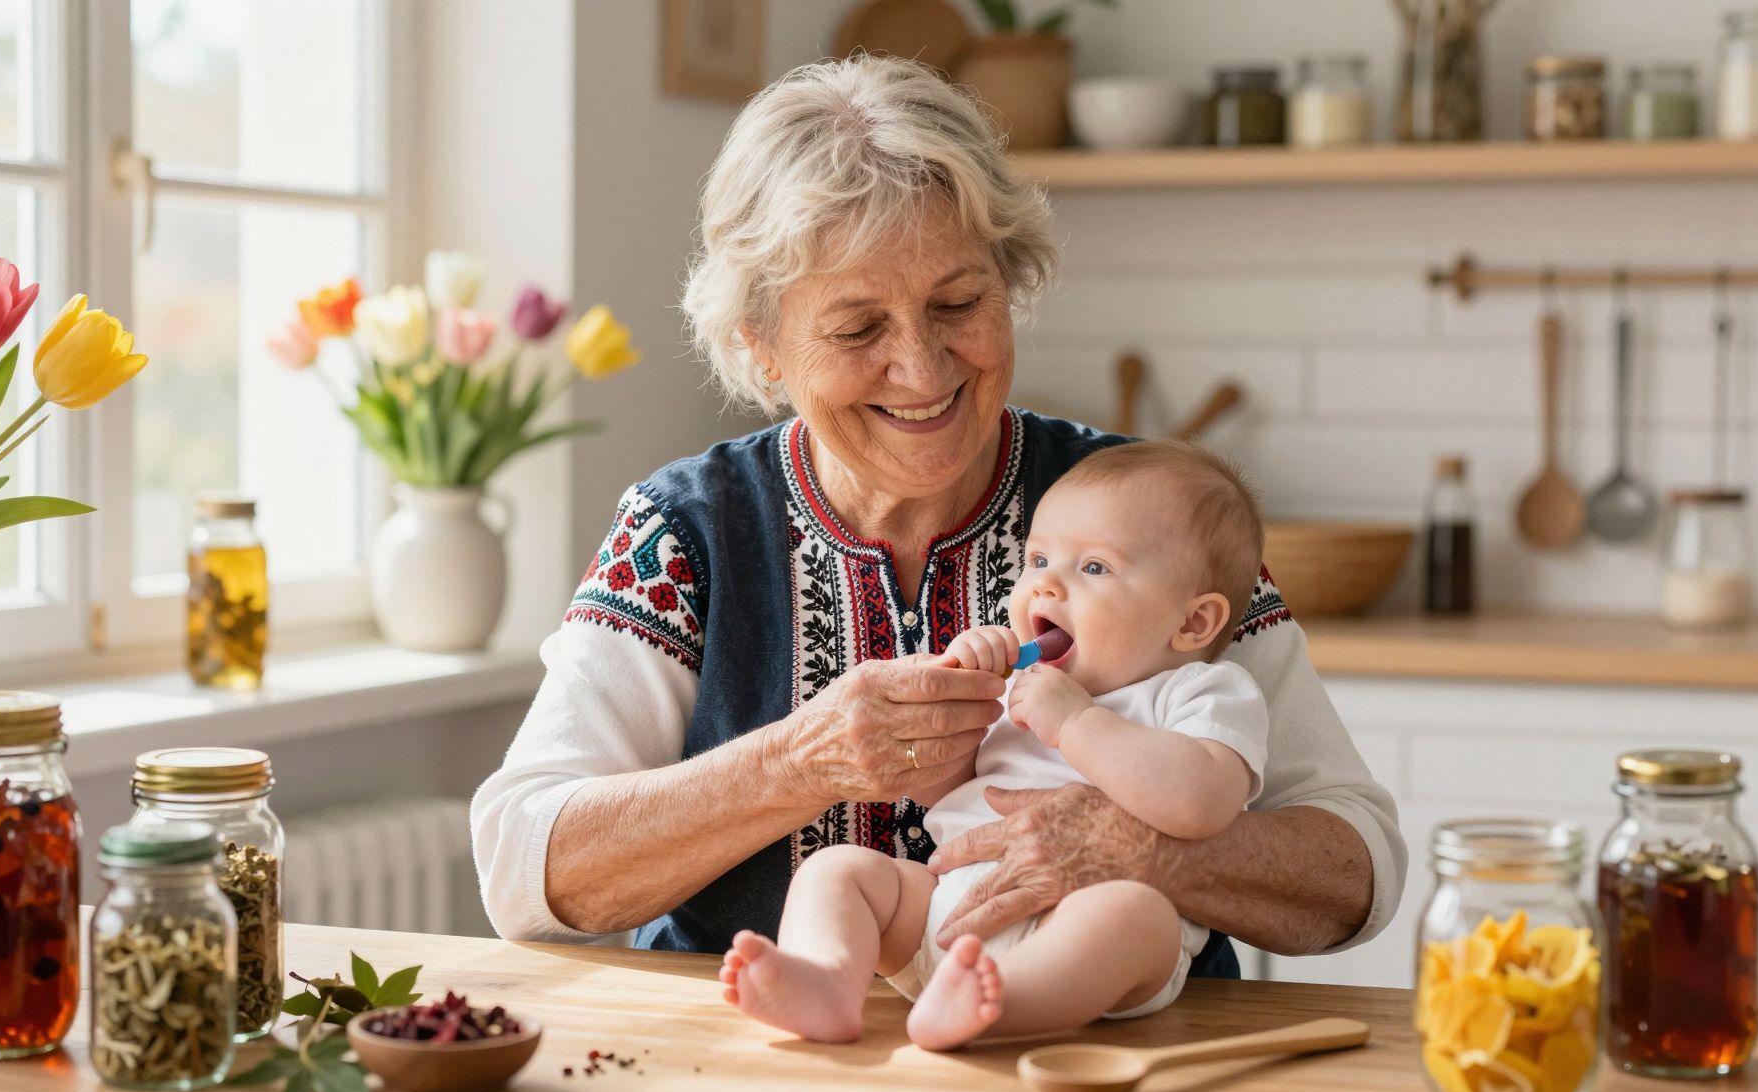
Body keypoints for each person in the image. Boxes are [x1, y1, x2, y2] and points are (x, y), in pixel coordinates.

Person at [471, 55, 1405, 986]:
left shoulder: (1142, 518)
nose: (922, 370)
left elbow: (1358, 866)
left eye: (958, 303)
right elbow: (523, 871)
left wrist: (1154, 853)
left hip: (1107, 1091)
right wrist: (801, 759)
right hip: (771, 1088)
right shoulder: (686, 531)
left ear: (1011, 284)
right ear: (761, 347)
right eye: (856, 329)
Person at [719, 440, 1269, 1049]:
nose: (1046, 587)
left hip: (1084, 938)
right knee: (840, 870)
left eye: (1094, 568)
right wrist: (959, 710)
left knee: (1136, 919)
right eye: (1037, 560)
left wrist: (1076, 725)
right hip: (944, 914)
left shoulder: (1203, 691)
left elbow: (1200, 803)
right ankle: (825, 981)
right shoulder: (1025, 686)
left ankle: (999, 1002)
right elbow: (946, 794)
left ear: (1192, 622)